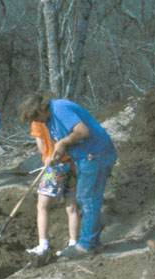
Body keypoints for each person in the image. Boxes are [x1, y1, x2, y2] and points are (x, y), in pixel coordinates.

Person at [18, 92, 116, 259]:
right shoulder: (48, 120)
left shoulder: (60, 109)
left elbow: (82, 132)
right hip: (83, 156)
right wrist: (55, 159)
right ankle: (92, 242)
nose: (36, 122)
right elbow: (63, 142)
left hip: (96, 154)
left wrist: (63, 143)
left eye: (35, 117)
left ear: (40, 109)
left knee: (88, 198)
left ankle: (86, 246)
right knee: (85, 198)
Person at [26, 120, 80, 257]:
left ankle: (43, 246)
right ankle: (74, 244)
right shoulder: (58, 117)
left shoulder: (36, 122)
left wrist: (46, 157)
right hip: (72, 165)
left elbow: (40, 148)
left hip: (55, 167)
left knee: (42, 207)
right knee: (72, 207)